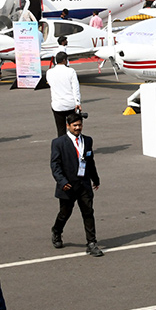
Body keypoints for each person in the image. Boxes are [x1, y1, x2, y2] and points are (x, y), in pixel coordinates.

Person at [50, 113, 104, 257]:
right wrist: (62, 182)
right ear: (68, 126)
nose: (78, 128)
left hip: (84, 184)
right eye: (75, 126)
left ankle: (91, 243)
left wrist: (95, 179)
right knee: (65, 213)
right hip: (68, 186)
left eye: (79, 125)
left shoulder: (87, 140)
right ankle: (57, 231)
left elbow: (90, 161)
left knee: (88, 212)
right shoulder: (58, 143)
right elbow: (55, 165)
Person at [48, 52, 81, 136]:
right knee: (74, 127)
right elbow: (75, 88)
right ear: (64, 60)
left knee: (61, 129)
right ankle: (74, 146)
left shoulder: (50, 72)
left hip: (57, 105)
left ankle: (62, 147)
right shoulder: (71, 71)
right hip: (70, 104)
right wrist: (77, 102)